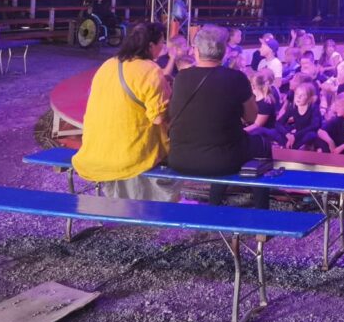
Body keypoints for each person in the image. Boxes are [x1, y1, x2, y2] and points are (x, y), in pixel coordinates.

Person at [167, 25, 272, 209]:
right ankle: (261, 211)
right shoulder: (236, 78)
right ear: (223, 52)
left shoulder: (181, 78)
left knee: (220, 145)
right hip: (222, 162)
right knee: (262, 143)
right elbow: (251, 116)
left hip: (180, 159)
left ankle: (214, 203)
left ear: (196, 51)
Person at [72, 22, 177, 201]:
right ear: (150, 46)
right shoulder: (150, 70)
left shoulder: (108, 64)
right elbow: (159, 118)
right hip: (129, 153)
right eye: (161, 42)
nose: (163, 46)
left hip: (96, 148)